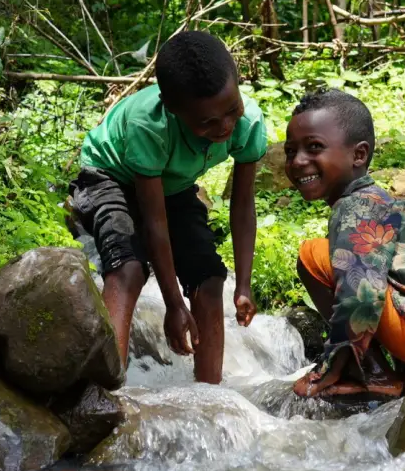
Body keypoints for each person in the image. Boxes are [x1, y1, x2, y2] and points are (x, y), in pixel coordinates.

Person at [70, 31, 262, 385]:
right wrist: (174, 305)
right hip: (110, 175)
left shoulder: (247, 120)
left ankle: (210, 395)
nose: (225, 126)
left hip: (172, 185)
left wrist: (244, 285)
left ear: (238, 86)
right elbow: (154, 222)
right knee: (127, 268)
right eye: (206, 122)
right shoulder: (150, 124)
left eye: (231, 110)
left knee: (209, 278)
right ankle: (107, 394)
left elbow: (243, 204)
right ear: (174, 110)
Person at [284, 89, 405, 398]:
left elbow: (361, 296)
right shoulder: (376, 201)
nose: (298, 161)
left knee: (311, 255)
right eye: (290, 151)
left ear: (358, 155)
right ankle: (397, 374)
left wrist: (327, 369)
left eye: (314, 147)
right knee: (336, 258)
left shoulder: (355, 207)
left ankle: (373, 375)